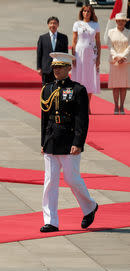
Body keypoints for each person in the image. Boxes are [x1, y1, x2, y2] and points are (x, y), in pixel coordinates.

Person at [39, 52, 98, 233]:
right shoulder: (47, 89)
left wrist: (78, 142)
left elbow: (81, 119)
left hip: (69, 141)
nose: (56, 70)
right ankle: (51, 221)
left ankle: (90, 207)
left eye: (60, 67)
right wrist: (43, 142)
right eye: (55, 67)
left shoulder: (77, 90)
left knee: (72, 179)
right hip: (51, 141)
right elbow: (45, 118)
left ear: (69, 68)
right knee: (50, 182)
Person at [71, 5, 101, 114]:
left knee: (89, 79)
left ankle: (87, 105)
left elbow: (98, 42)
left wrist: (98, 58)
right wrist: (73, 56)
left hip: (91, 54)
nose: (86, 13)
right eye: (85, 11)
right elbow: (74, 41)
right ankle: (78, 105)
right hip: (79, 53)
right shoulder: (77, 24)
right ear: (82, 12)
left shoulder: (95, 25)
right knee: (79, 78)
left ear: (92, 13)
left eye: (88, 11)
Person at [107, 13, 130, 115]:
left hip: (125, 61)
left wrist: (123, 56)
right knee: (116, 86)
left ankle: (122, 106)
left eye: (123, 21)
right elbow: (109, 45)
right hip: (114, 61)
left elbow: (129, 47)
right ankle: (116, 105)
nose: (121, 22)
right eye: (119, 21)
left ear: (125, 22)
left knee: (123, 86)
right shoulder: (110, 32)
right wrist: (116, 56)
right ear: (115, 21)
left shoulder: (129, 32)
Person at [37, 16, 69, 84]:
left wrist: (66, 67)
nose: (53, 25)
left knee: (59, 88)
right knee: (46, 89)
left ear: (58, 25)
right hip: (46, 68)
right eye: (51, 23)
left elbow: (65, 53)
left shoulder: (63, 37)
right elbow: (39, 54)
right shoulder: (42, 38)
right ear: (48, 25)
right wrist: (39, 67)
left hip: (59, 68)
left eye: (54, 23)